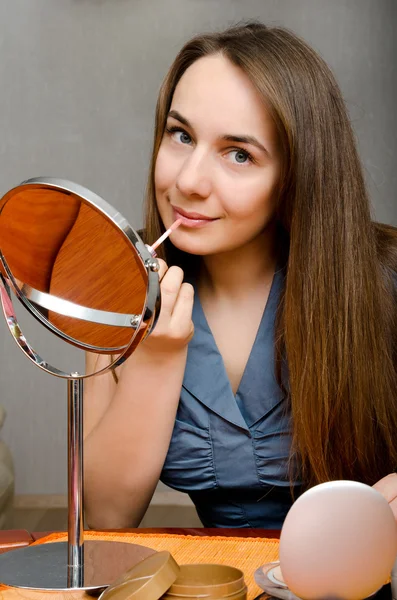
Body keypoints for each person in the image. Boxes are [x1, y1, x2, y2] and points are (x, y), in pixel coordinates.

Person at [83, 21, 397, 529]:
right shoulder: (116, 285)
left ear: (299, 175)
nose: (187, 181)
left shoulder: (386, 282)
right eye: (181, 135)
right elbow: (105, 520)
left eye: (239, 154)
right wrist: (157, 360)